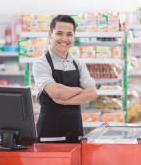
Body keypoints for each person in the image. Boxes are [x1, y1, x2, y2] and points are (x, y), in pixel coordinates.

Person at [32, 15, 97, 143]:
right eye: (59, 33)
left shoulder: (78, 63)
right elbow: (56, 92)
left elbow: (92, 93)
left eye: (69, 34)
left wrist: (64, 101)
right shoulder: (41, 63)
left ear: (74, 37)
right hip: (49, 134)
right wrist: (79, 90)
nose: (64, 39)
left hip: (75, 133)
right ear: (50, 35)